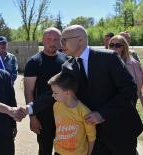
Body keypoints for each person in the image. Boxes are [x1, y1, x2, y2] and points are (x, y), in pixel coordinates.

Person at [27, 25, 143, 155]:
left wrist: (102, 114)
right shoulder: (67, 65)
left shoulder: (108, 58)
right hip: (92, 134)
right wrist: (29, 109)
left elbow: (129, 90)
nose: (61, 44)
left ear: (80, 40)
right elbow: (55, 92)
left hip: (119, 130)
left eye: (64, 40)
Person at [24, 27, 67, 155]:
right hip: (43, 115)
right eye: (49, 39)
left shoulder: (66, 60)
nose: (52, 42)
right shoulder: (34, 62)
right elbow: (29, 92)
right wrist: (33, 117)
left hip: (65, 114)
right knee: (45, 149)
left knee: (65, 149)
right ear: (43, 40)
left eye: (56, 39)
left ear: (60, 41)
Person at [48, 66, 96, 155]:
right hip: (59, 152)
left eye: (55, 93)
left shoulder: (84, 112)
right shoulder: (56, 106)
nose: (52, 95)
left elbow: (91, 137)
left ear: (67, 93)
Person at [109, 35, 143, 107]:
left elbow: (138, 85)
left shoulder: (133, 64)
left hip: (128, 101)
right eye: (111, 45)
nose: (113, 48)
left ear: (123, 47)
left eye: (117, 45)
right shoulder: (104, 61)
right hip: (110, 101)